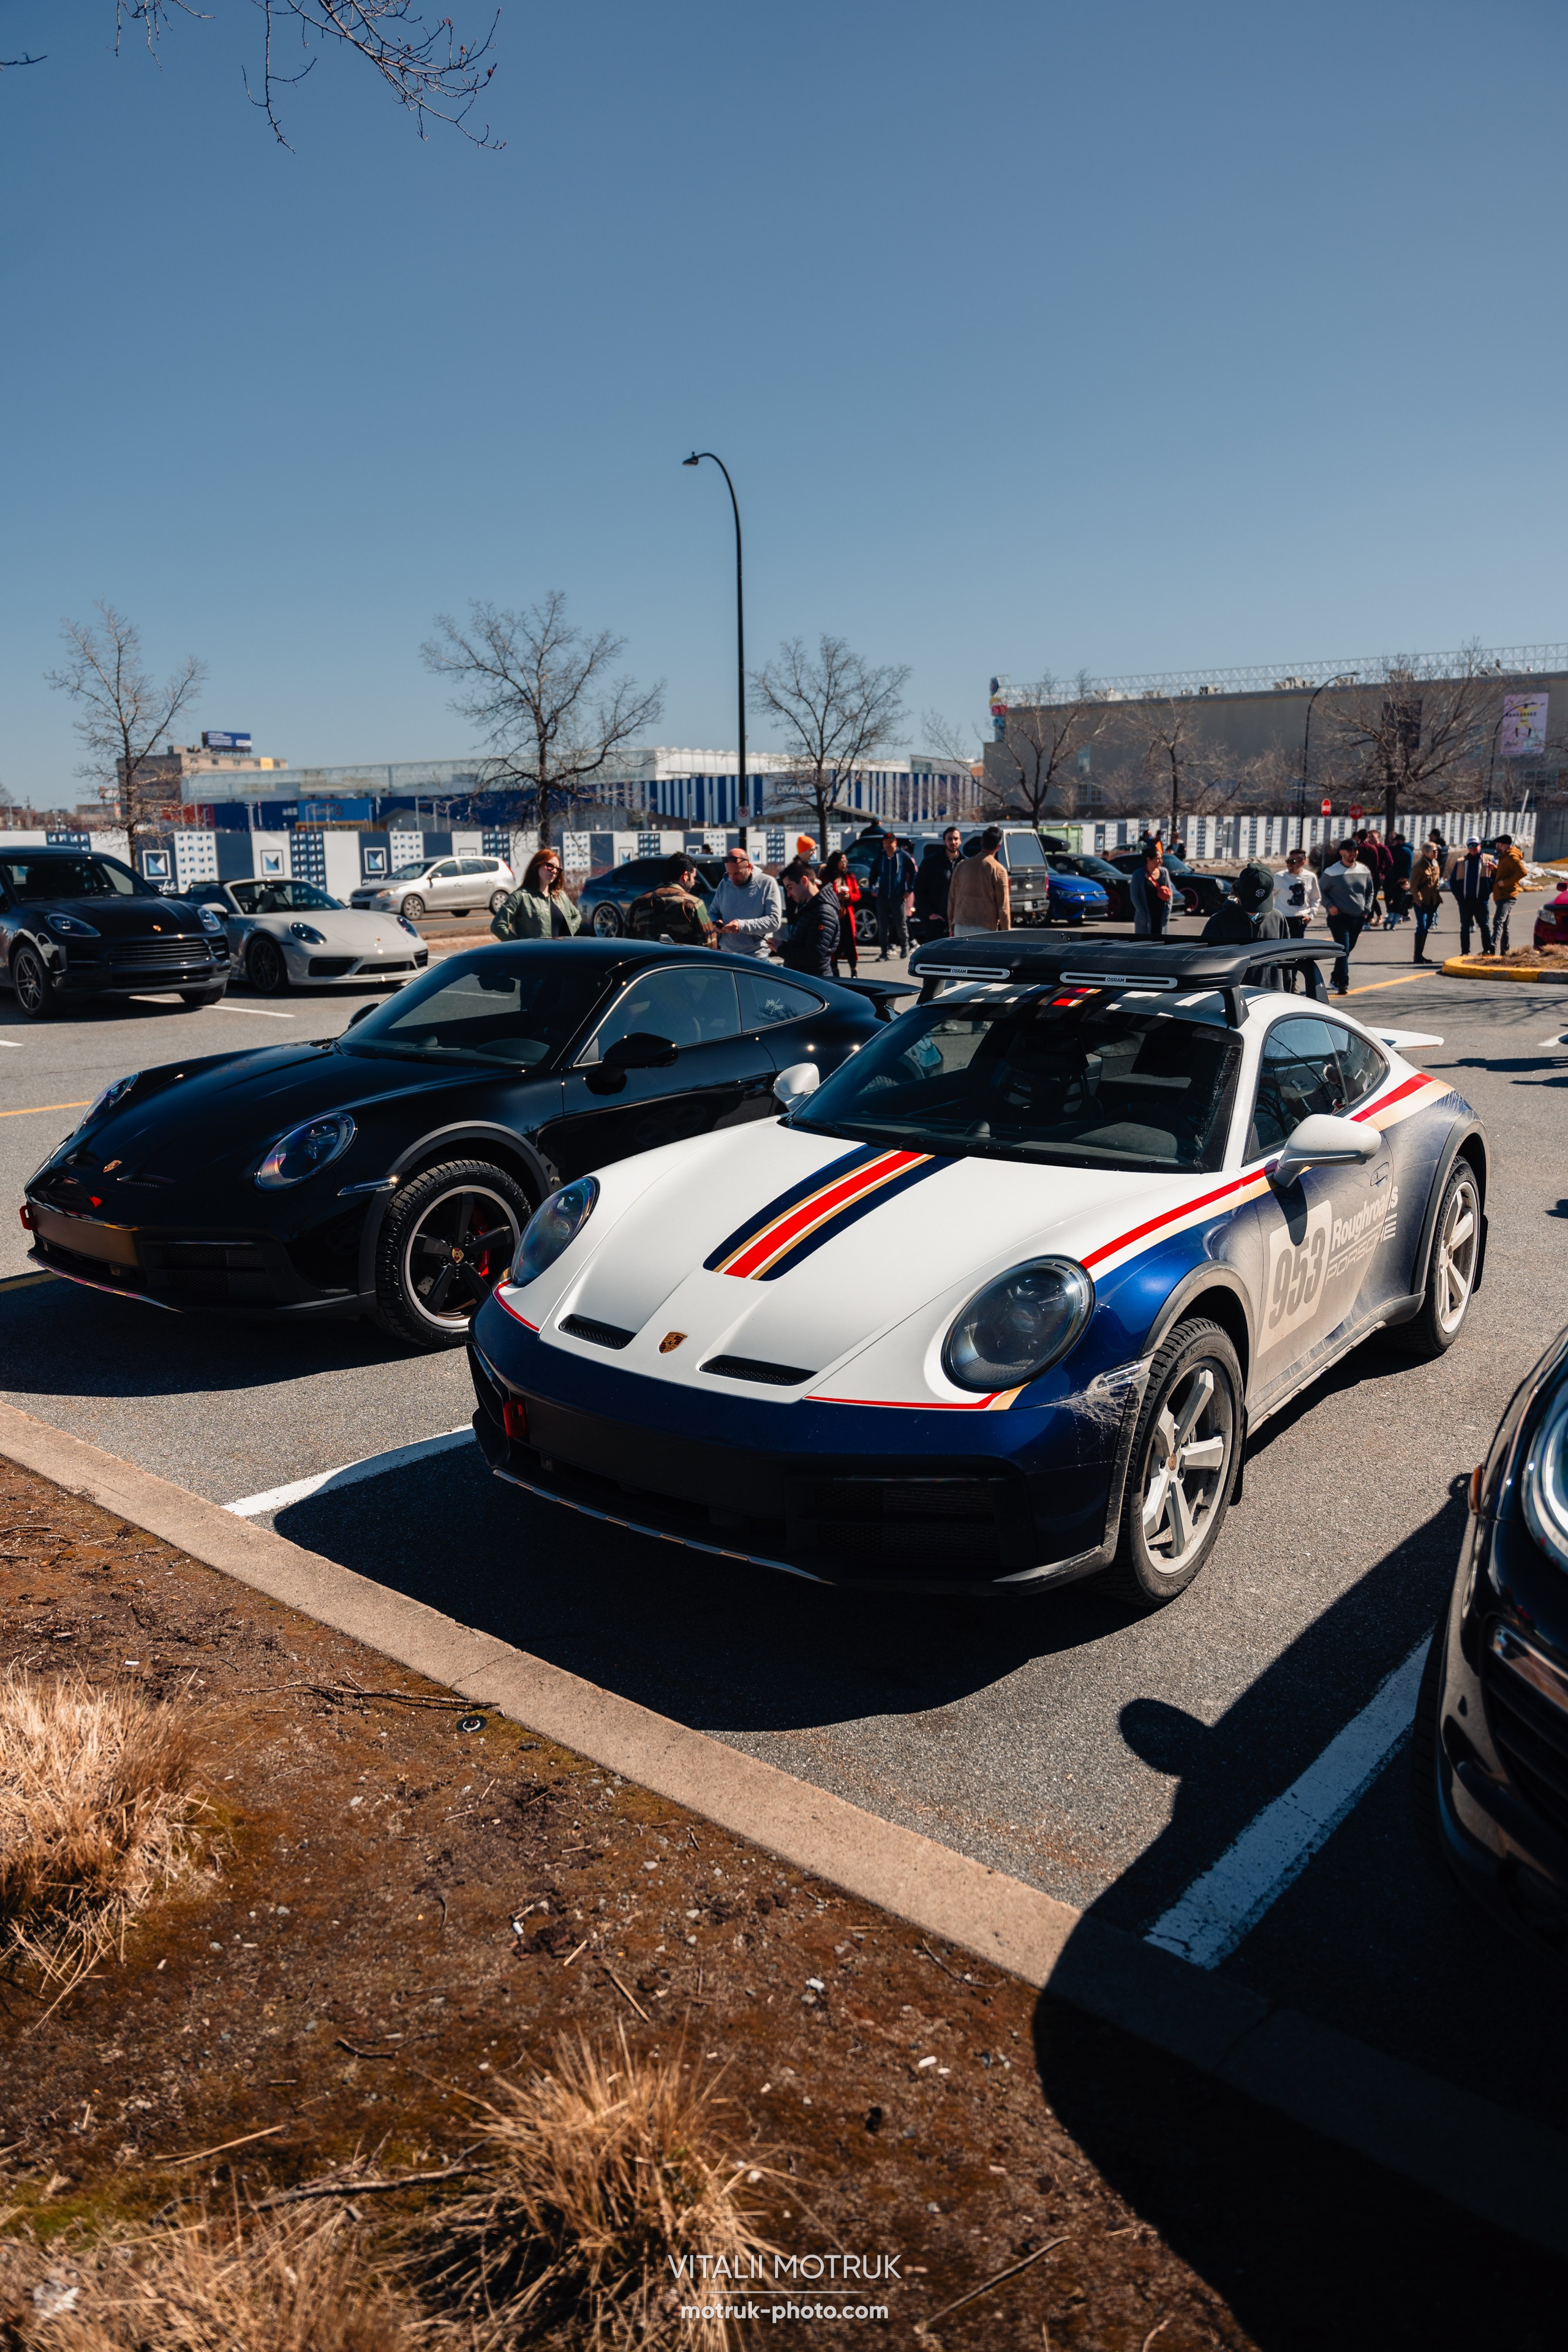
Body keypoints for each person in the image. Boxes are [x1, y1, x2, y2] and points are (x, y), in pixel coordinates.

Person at [1320, 837, 1377, 993]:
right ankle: (1343, 983)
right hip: (1339, 918)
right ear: (1342, 853)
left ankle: (1335, 977)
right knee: (1344, 949)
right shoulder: (1332, 872)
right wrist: (1330, 906)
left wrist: (1366, 910)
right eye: (1350, 851)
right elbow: (1321, 891)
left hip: (1358, 918)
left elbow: (1370, 892)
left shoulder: (1363, 870)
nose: (1353, 853)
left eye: (1355, 851)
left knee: (1346, 950)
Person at [490, 846, 583, 941]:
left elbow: (577, 916)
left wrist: (566, 934)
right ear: (537, 866)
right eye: (550, 866)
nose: (554, 871)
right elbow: (498, 926)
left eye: (558, 869)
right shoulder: (520, 897)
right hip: (534, 955)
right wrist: (519, 946)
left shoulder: (561, 896)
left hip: (561, 953)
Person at [709, 845, 783, 959]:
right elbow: (713, 912)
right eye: (729, 874)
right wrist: (716, 923)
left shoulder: (767, 883)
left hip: (756, 957)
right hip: (727, 954)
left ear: (749, 867)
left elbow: (774, 921)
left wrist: (742, 926)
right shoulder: (724, 884)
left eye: (737, 874)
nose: (733, 879)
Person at [628, 851, 714, 947]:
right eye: (693, 878)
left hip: (648, 961)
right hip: (682, 961)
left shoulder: (638, 902)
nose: (694, 883)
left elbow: (626, 942)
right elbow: (709, 945)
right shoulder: (693, 904)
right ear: (685, 876)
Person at [778, 856, 839, 976]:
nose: (789, 894)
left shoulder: (823, 912)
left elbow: (813, 955)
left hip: (814, 983)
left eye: (790, 888)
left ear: (804, 881)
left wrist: (781, 949)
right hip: (806, 981)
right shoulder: (807, 907)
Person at [1201, 862, 1287, 945]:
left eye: (1261, 904)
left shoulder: (1278, 919)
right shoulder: (1218, 922)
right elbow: (1205, 956)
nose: (1255, 911)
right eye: (1250, 903)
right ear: (1237, 892)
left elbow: (1285, 955)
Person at [946, 825, 1011, 935]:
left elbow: (952, 899)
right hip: (985, 926)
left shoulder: (962, 866)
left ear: (981, 842)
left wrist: (951, 926)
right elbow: (1003, 906)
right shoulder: (999, 870)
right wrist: (1006, 933)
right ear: (998, 847)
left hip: (960, 925)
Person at [869, 830, 919, 960]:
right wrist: (872, 888)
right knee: (883, 927)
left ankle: (904, 945)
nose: (888, 845)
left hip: (898, 896)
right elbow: (872, 875)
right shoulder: (880, 858)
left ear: (895, 843)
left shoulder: (903, 856)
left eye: (890, 842)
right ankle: (884, 953)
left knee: (900, 924)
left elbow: (913, 872)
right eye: (886, 842)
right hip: (883, 897)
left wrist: (909, 889)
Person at [1446, 837, 1496, 957]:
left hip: (1481, 901)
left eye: (1475, 845)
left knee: (1484, 926)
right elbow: (1453, 881)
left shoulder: (1489, 860)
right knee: (1465, 927)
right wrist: (1458, 897)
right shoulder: (1461, 862)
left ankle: (1487, 949)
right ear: (1467, 847)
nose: (1473, 848)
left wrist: (1488, 891)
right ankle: (1465, 951)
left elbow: (1496, 876)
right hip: (1465, 901)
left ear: (1480, 846)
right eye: (1470, 846)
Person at [913, 826, 963, 942]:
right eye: (949, 839)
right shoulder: (930, 863)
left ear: (960, 841)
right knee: (936, 956)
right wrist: (930, 914)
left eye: (956, 839)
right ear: (944, 841)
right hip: (936, 922)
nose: (953, 842)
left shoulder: (965, 864)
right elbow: (919, 890)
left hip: (959, 921)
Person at [819, 849, 861, 978]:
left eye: (845, 861)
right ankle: (835, 971)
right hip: (832, 915)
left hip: (847, 915)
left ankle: (854, 971)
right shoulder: (826, 877)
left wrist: (849, 897)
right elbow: (821, 894)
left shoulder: (850, 877)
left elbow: (857, 895)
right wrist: (837, 896)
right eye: (841, 861)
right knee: (833, 945)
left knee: (850, 944)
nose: (844, 864)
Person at [1491, 832, 1528, 956]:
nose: (1496, 846)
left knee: (1498, 921)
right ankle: (1505, 952)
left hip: (1507, 895)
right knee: (1504, 924)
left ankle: (1492, 948)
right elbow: (1505, 873)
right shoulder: (1505, 856)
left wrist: (1505, 883)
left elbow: (1522, 872)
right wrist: (1494, 870)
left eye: (1498, 844)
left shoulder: (1512, 856)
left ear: (1502, 844)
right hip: (1502, 894)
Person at [1409, 839, 1444, 964]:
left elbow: (1436, 884)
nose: (1436, 853)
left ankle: (1421, 955)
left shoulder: (1435, 864)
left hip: (1433, 901)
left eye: (1436, 851)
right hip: (1421, 902)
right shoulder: (1419, 867)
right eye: (1434, 851)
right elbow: (1413, 886)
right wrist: (1419, 901)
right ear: (1426, 852)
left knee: (1427, 927)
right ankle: (1417, 956)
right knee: (1422, 926)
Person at [1272, 848, 1321, 938]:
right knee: (1280, 948)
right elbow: (1269, 896)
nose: (1289, 864)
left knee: (1295, 949)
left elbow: (1315, 898)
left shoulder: (1310, 877)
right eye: (1288, 861)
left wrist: (1311, 915)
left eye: (1293, 861)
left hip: (1300, 920)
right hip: (1282, 919)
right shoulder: (1279, 877)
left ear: (1302, 863)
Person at [1128, 843, 1174, 938]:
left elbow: (1170, 894)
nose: (1160, 861)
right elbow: (1134, 897)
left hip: (1161, 916)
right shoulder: (1138, 875)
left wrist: (1167, 912)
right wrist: (1142, 914)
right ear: (1149, 860)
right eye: (1157, 858)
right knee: (1145, 943)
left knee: (1161, 943)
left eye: (1161, 858)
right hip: (1145, 917)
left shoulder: (1164, 872)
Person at [1383, 832, 1414, 928]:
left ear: (1400, 841)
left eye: (1395, 841)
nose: (1394, 842)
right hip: (1405, 876)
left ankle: (1397, 915)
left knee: (1396, 897)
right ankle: (1403, 914)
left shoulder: (1402, 850)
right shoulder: (1409, 849)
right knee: (1401, 897)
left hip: (1398, 877)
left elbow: (1393, 860)